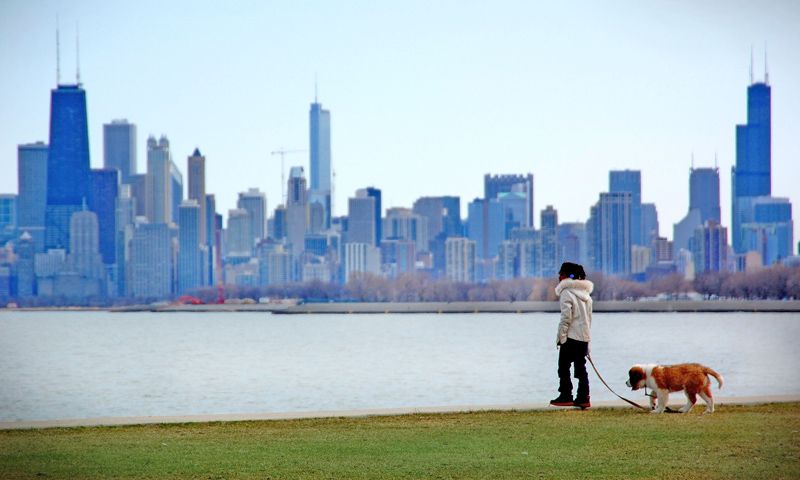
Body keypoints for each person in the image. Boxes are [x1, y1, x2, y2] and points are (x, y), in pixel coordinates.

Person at [550, 262, 594, 408]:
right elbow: (589, 319)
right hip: (583, 337)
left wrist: (561, 337)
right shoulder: (586, 295)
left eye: (561, 274)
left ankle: (566, 395)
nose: (559, 278)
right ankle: (583, 396)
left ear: (568, 276)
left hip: (570, 337)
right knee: (581, 368)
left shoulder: (566, 292)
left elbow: (565, 318)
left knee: (563, 367)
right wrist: (588, 341)